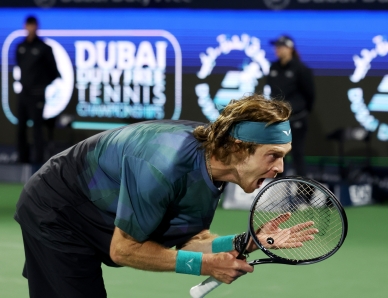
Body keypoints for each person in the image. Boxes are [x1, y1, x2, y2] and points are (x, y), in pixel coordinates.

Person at [15, 94, 318, 297]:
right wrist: (207, 266)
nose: (280, 168)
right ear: (239, 148)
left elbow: (191, 240)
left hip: (100, 216)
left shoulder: (217, 168)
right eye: (273, 155)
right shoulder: (164, 164)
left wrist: (248, 241)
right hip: (58, 212)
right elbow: (124, 250)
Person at [267, 35, 315, 177]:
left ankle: (304, 192)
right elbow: (271, 91)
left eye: (280, 47)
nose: (277, 50)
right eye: (276, 47)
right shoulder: (273, 67)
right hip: (278, 120)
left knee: (297, 154)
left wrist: (299, 111)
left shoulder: (301, 69)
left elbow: (310, 95)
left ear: (289, 49)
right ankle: (278, 191)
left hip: (297, 119)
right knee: (277, 155)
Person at [15, 15, 60, 164]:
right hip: (24, 94)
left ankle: (38, 162)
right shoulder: (20, 48)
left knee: (37, 129)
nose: (30, 28)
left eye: (33, 25)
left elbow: (54, 72)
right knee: (20, 128)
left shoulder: (44, 48)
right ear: (25, 27)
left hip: (37, 95)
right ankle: (22, 160)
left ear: (37, 26)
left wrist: (41, 86)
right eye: (28, 25)